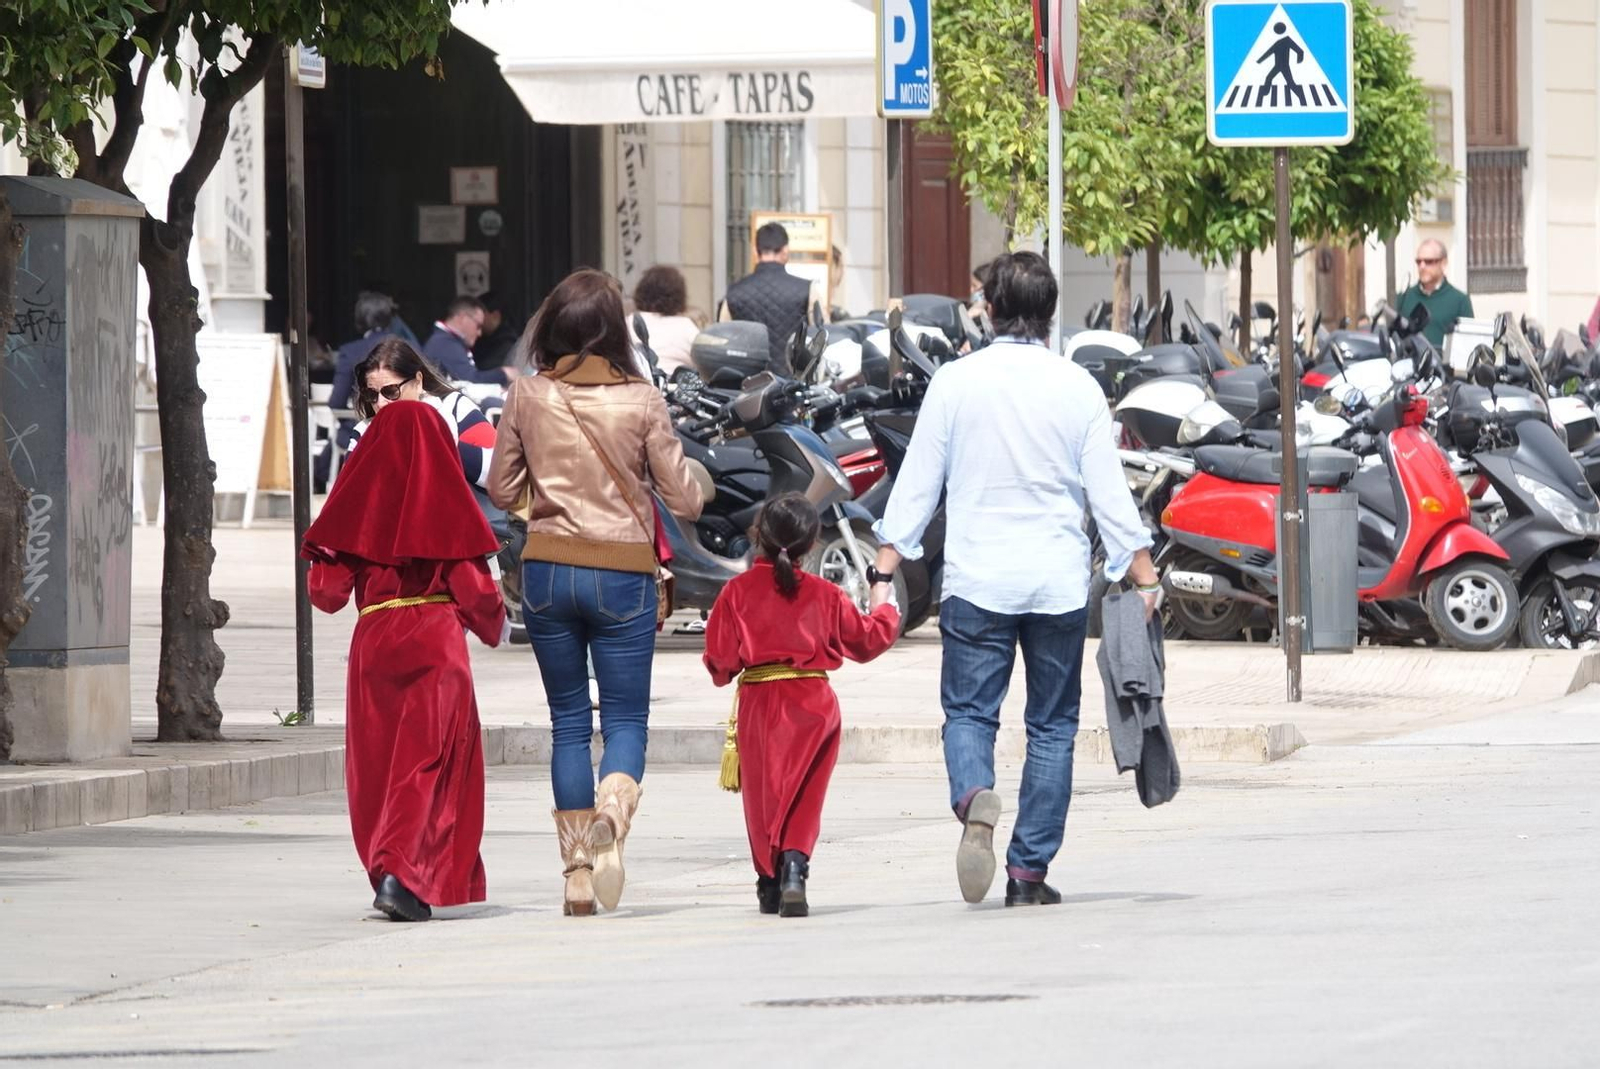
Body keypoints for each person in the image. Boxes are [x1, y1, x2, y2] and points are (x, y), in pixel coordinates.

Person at [871, 250, 1161, 908]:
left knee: (969, 713)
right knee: (1052, 727)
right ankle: (1028, 872)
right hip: (1057, 584)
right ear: (1050, 313)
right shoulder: (1077, 387)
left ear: (991, 309)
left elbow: (917, 483)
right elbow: (1110, 496)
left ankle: (975, 795)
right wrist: (1145, 578)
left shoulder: (955, 382)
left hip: (978, 582)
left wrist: (884, 568)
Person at [487, 268, 705, 917]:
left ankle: (577, 874)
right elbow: (684, 499)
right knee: (626, 720)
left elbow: (501, 489)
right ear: (614, 330)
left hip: (548, 573)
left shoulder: (527, 394)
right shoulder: (642, 400)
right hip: (623, 575)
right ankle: (614, 805)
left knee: (568, 723)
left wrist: (545, 501)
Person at [302, 401, 506, 922]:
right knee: (428, 763)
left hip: (375, 641)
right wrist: (492, 624)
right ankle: (404, 873)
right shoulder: (445, 502)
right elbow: (478, 595)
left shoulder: (360, 504)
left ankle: (391, 869)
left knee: (379, 765)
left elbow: (325, 593)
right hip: (435, 640)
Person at [703, 493, 899, 917]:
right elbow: (868, 641)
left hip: (760, 703)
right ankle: (795, 867)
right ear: (811, 543)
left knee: (763, 797)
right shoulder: (825, 594)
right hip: (814, 704)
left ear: (758, 534)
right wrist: (884, 607)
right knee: (804, 794)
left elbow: (720, 664)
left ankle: (769, 880)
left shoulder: (736, 592)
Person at [347, 337, 504, 537]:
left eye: (391, 391)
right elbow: (349, 498)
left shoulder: (454, 407)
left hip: (466, 540)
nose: (380, 403)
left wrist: (437, 443)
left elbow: (499, 472)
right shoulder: (364, 432)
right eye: (371, 394)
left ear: (418, 381)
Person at [720, 222, 823, 360]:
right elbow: (821, 336)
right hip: (793, 373)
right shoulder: (807, 290)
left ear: (755, 251)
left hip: (747, 373)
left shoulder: (734, 292)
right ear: (785, 250)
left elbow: (722, 338)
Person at [424, 296, 519, 387]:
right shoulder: (444, 344)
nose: (479, 333)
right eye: (478, 326)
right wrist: (503, 374)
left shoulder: (444, 341)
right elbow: (470, 381)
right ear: (463, 318)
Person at [1397, 240, 1474, 348]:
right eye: (1418, 262)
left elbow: (1469, 344)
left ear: (1443, 263)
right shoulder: (1404, 298)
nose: (1422, 266)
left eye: (1428, 261)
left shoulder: (1460, 301)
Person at [630, 266, 701, 376]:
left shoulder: (630, 322)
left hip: (639, 381)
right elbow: (702, 363)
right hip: (676, 383)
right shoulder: (687, 326)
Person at [472, 291, 522, 372]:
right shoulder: (481, 339)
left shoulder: (507, 343)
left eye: (480, 314)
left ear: (495, 315)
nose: (476, 319)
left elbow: (484, 369)